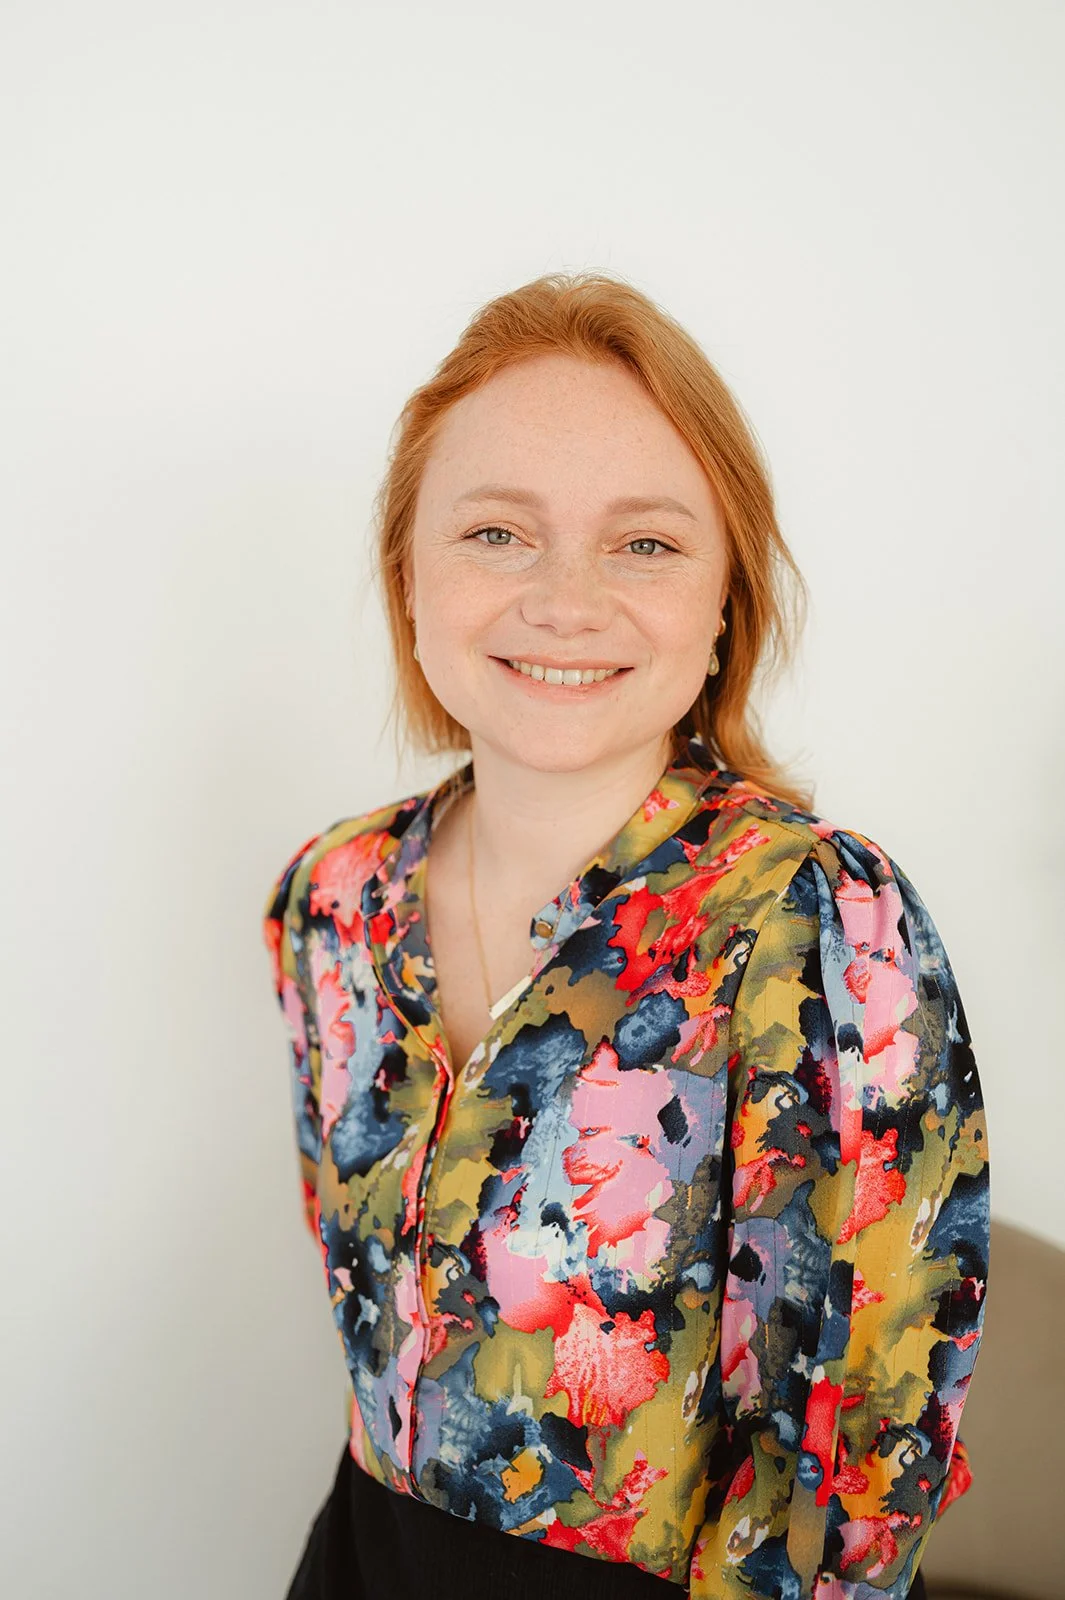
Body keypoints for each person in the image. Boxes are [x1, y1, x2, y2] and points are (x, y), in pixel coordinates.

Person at [262, 273, 989, 1600]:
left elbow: (862, 1446)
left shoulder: (814, 917)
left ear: (723, 603)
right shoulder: (332, 896)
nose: (568, 598)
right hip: (367, 1557)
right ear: (408, 576)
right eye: (497, 533)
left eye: (645, 544)